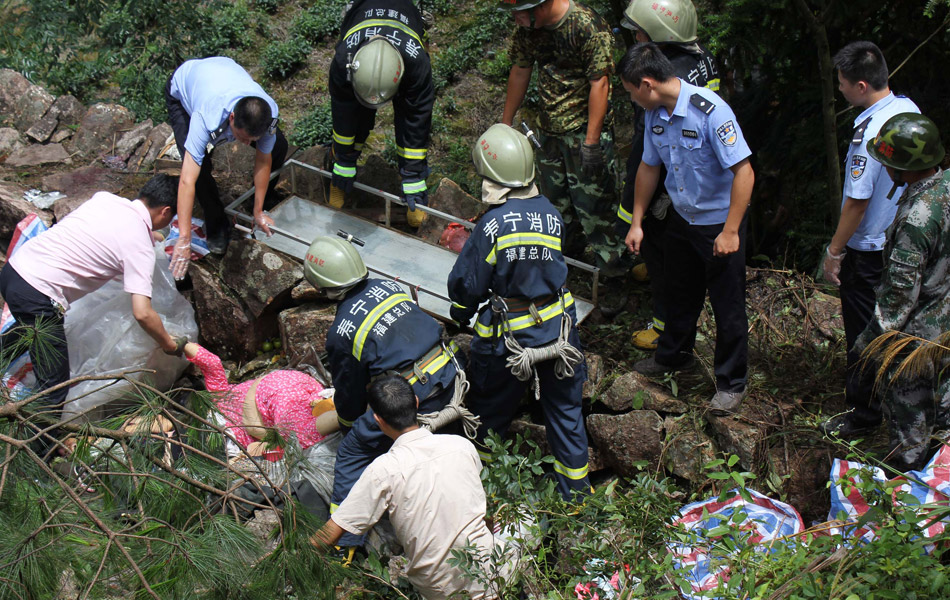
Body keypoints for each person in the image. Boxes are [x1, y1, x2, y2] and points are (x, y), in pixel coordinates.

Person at [447, 124, 591, 501]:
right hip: (559, 333)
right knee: (565, 413)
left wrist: (460, 312)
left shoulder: (492, 225)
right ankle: (578, 499)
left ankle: (480, 491)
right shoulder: (551, 214)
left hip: (508, 344)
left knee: (489, 412)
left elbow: (468, 285)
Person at [303, 234, 470, 552]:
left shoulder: (342, 332)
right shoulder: (389, 287)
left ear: (322, 286)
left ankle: (347, 544)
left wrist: (350, 427)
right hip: (451, 376)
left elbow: (349, 397)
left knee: (352, 450)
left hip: (419, 397)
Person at [0, 174, 185, 454]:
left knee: (14, 343)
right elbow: (143, 313)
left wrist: (152, 237)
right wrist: (169, 344)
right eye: (170, 221)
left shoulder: (106, 200)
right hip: (39, 295)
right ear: (166, 212)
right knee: (54, 384)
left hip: (15, 271)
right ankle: (32, 454)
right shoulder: (139, 246)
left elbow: (113, 234)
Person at [620, 43, 754, 415]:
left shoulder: (710, 112)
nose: (631, 99)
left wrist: (730, 231)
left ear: (646, 84)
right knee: (679, 294)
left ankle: (731, 383)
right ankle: (674, 356)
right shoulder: (655, 114)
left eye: (631, 92)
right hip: (682, 219)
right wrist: (636, 221)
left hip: (718, 225)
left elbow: (744, 172)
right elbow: (649, 167)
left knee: (728, 308)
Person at [311, 376, 510, 598]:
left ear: (378, 420)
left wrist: (295, 555)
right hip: (490, 570)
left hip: (438, 585)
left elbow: (331, 533)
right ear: (416, 402)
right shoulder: (461, 446)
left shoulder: (383, 470)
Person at [818, 42, 920, 438]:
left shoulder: (871, 131)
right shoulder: (907, 110)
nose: (839, 90)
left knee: (863, 331)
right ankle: (901, 404)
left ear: (861, 85)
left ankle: (864, 415)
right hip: (902, 242)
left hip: (870, 248)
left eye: (842, 84)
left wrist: (834, 252)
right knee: (900, 327)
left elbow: (857, 202)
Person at [615, 0, 721, 345]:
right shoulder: (701, 57)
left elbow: (653, 149)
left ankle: (662, 325)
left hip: (666, 175)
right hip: (690, 175)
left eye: (639, 32)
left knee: (658, 244)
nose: (635, 37)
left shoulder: (662, 78)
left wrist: (640, 203)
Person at [847, 112, 948, 471]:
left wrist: (867, 347)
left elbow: (897, 300)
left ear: (901, 168)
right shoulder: (945, 187)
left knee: (911, 427)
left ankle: (906, 487)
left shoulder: (916, 218)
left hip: (919, 342)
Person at [499, 0, 622, 271]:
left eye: (519, 13)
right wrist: (505, 124)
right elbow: (521, 70)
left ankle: (614, 273)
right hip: (548, 131)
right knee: (556, 205)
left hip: (584, 131)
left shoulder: (587, 26)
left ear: (539, 7)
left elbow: (599, 83)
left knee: (596, 207)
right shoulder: (529, 29)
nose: (515, 19)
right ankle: (568, 262)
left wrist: (591, 142)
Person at [166, 56, 288, 272]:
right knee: (198, 167)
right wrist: (184, 239)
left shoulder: (270, 113)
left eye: (252, 140)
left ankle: (258, 203)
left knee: (278, 146)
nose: (246, 144)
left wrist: (259, 211)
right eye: (242, 137)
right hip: (185, 88)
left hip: (221, 72)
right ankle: (216, 222)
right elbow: (187, 180)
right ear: (231, 118)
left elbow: (264, 157)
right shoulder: (206, 116)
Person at [328, 0, 434, 228]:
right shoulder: (344, 60)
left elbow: (415, 122)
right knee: (357, 116)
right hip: (362, 15)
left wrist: (413, 176)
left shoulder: (417, 66)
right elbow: (344, 113)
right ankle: (339, 169)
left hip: (404, 20)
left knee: (410, 122)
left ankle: (413, 182)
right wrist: (344, 160)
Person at [181, 342, 336, 460]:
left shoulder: (231, 437)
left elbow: (260, 448)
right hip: (294, 383)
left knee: (299, 436)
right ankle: (340, 409)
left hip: (274, 396)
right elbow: (211, 363)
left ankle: (344, 415)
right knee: (307, 415)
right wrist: (181, 344)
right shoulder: (218, 394)